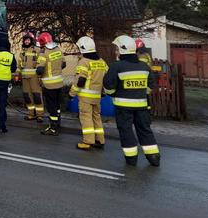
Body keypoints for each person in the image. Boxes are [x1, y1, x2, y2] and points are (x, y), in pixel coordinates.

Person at [103, 35, 161, 167]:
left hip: (123, 107)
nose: (115, 52)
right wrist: (139, 93)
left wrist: (114, 94)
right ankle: (154, 157)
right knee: (145, 130)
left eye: (117, 49)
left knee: (126, 131)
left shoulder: (117, 66)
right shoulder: (144, 66)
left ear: (122, 50)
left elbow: (108, 86)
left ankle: (131, 159)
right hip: (142, 105)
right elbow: (151, 85)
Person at [69, 36, 108, 150]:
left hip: (85, 97)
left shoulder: (84, 62)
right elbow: (107, 76)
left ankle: (88, 141)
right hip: (97, 96)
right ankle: (100, 140)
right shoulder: (101, 62)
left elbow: (79, 81)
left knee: (86, 118)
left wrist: (71, 94)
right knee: (96, 117)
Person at [36, 32, 65, 136]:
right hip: (59, 83)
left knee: (51, 107)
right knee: (57, 105)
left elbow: (40, 70)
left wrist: (38, 69)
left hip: (49, 85)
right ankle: (57, 123)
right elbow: (64, 64)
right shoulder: (58, 50)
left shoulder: (44, 52)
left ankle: (52, 128)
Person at [18, 31, 44, 122]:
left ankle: (40, 115)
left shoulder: (37, 50)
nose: (27, 42)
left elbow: (41, 62)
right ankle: (31, 114)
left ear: (32, 41)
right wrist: (17, 75)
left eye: (28, 40)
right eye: (25, 40)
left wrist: (40, 75)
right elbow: (19, 65)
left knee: (37, 96)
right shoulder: (22, 52)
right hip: (25, 77)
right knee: (27, 97)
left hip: (35, 77)